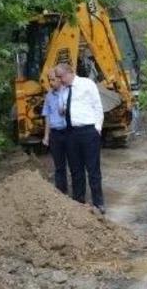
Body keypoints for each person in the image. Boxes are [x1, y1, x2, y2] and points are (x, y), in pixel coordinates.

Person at [54, 63, 106, 214]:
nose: (60, 80)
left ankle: (98, 202)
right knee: (76, 169)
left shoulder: (87, 84)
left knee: (93, 168)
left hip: (88, 131)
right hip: (70, 132)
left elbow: (98, 107)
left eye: (61, 76)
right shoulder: (63, 90)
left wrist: (97, 129)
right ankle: (79, 201)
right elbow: (61, 110)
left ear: (69, 73)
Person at [42, 72, 69, 194]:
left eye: (53, 80)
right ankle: (62, 193)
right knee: (59, 166)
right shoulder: (49, 96)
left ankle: (78, 197)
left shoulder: (69, 93)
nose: (51, 83)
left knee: (75, 164)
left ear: (60, 79)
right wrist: (46, 136)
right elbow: (47, 116)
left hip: (69, 133)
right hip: (55, 134)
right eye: (49, 80)